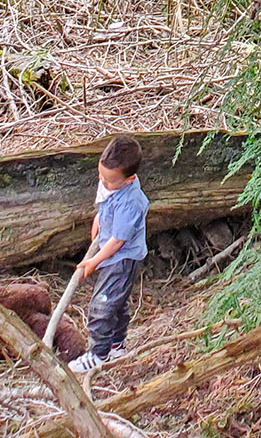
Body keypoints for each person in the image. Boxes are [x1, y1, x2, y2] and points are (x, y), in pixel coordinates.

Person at [68, 135, 149, 373]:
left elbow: (117, 241)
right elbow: (104, 204)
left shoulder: (130, 203)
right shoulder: (109, 183)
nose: (103, 182)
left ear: (129, 179)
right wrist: (98, 220)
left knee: (102, 306)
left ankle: (98, 354)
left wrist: (93, 261)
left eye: (109, 180)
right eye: (100, 176)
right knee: (117, 302)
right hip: (112, 254)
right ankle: (116, 345)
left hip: (121, 260)